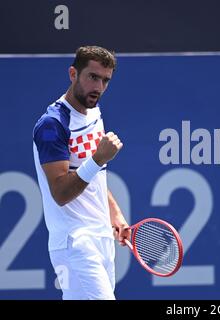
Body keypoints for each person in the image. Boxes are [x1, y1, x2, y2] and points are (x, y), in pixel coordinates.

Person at [33, 46, 131, 300]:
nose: (98, 87)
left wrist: (115, 214)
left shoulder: (94, 111)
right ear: (73, 73)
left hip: (101, 238)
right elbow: (61, 192)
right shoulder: (52, 125)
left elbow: (94, 178)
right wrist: (98, 158)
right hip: (73, 242)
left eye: (105, 80)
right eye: (92, 77)